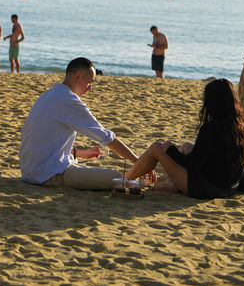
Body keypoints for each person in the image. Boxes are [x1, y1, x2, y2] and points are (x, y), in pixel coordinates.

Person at [19, 56, 150, 189]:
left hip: (29, 171)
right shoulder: (69, 101)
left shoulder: (49, 95)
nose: (90, 88)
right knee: (115, 177)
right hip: (47, 174)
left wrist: (81, 153)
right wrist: (138, 162)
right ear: (77, 76)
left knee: (99, 172)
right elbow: (105, 137)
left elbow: (46, 144)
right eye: (89, 82)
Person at [123, 78, 244, 199]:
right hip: (230, 188)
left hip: (207, 189)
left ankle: (124, 180)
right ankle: (175, 186)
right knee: (186, 146)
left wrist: (170, 150)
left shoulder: (211, 128)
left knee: (156, 148)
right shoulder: (241, 128)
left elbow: (192, 165)